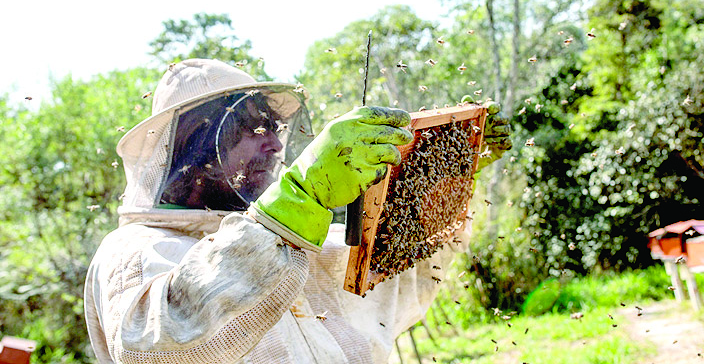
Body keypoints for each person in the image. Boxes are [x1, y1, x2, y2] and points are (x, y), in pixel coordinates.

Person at [84, 58, 512, 363]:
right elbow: (157, 346)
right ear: (194, 145)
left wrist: (444, 181)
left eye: (273, 126)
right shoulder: (135, 252)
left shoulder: (305, 246)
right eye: (250, 127)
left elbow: (399, 285)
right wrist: (299, 200)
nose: (273, 143)